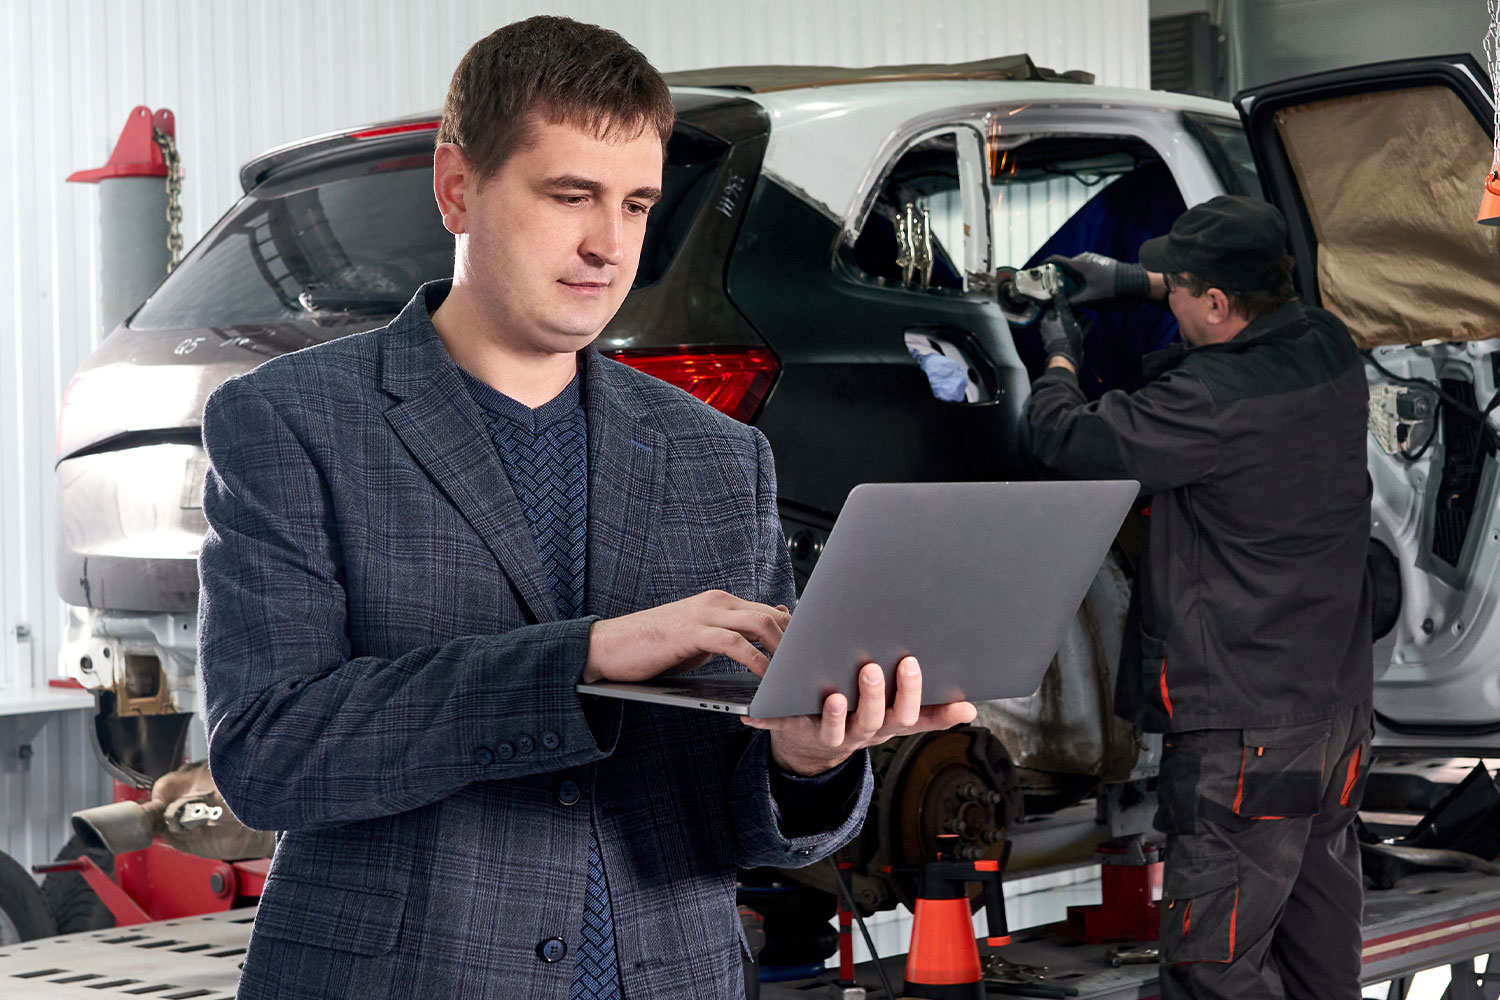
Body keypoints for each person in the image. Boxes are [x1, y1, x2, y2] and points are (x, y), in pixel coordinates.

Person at [196, 16, 975, 1000]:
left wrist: (807, 757)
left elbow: (738, 821)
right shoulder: (291, 422)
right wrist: (588, 655)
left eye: (637, 204)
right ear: (457, 187)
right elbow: (272, 756)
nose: (609, 244)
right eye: (570, 195)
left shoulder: (719, 456)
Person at [1020, 196, 1373, 1000]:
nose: (1168, 295)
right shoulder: (1328, 345)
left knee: (1213, 974)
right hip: (1337, 718)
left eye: (1178, 286)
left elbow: (1065, 439)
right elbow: (1211, 306)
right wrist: (1129, 284)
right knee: (1322, 962)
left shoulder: (1206, 401)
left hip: (1245, 735)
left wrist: (1059, 354)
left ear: (1217, 304)